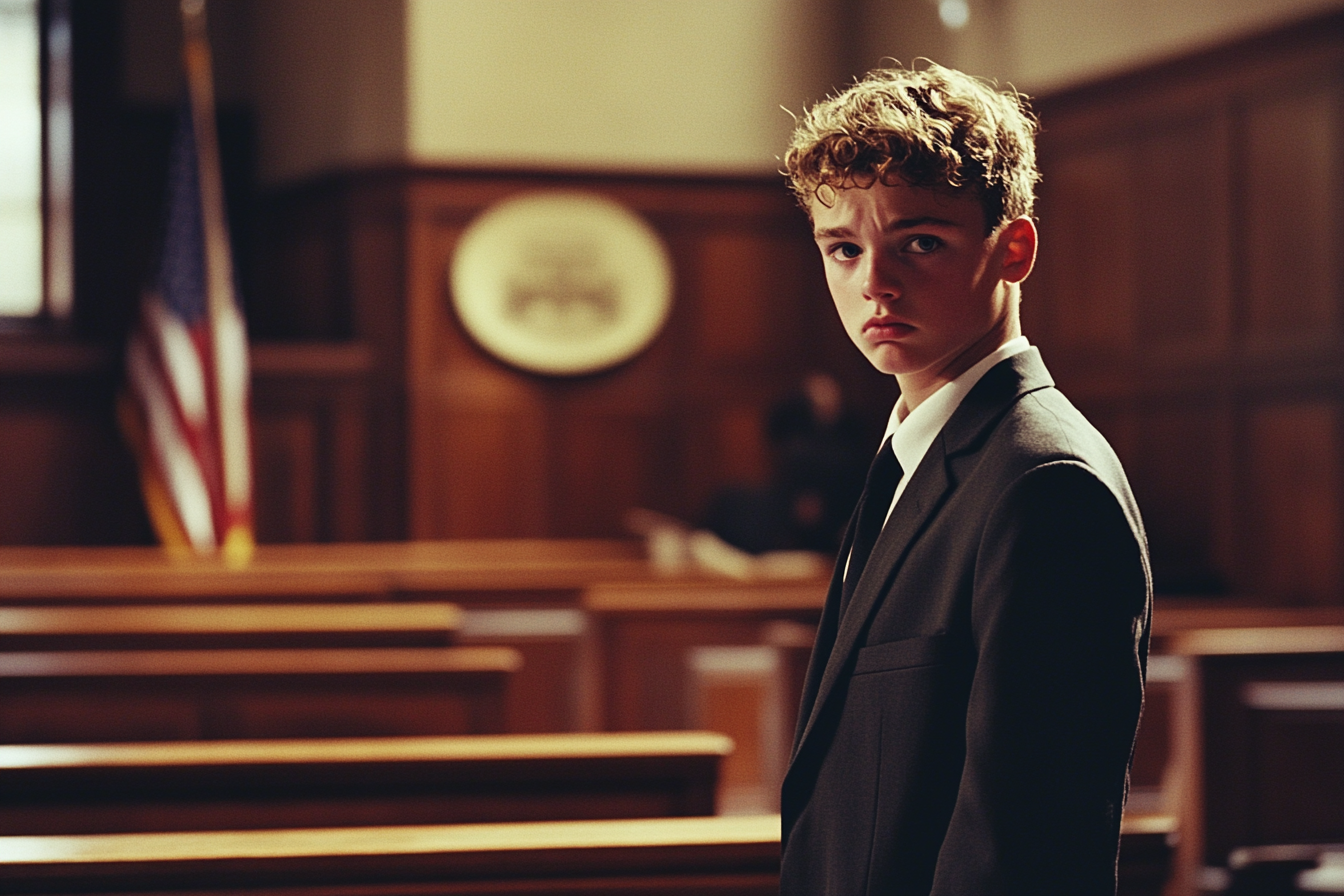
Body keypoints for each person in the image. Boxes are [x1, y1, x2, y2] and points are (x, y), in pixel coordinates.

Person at [778, 62, 1151, 895]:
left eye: (920, 242)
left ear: (1012, 249)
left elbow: (1028, 844)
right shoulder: (916, 451)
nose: (874, 282)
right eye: (844, 248)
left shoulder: (1044, 482)